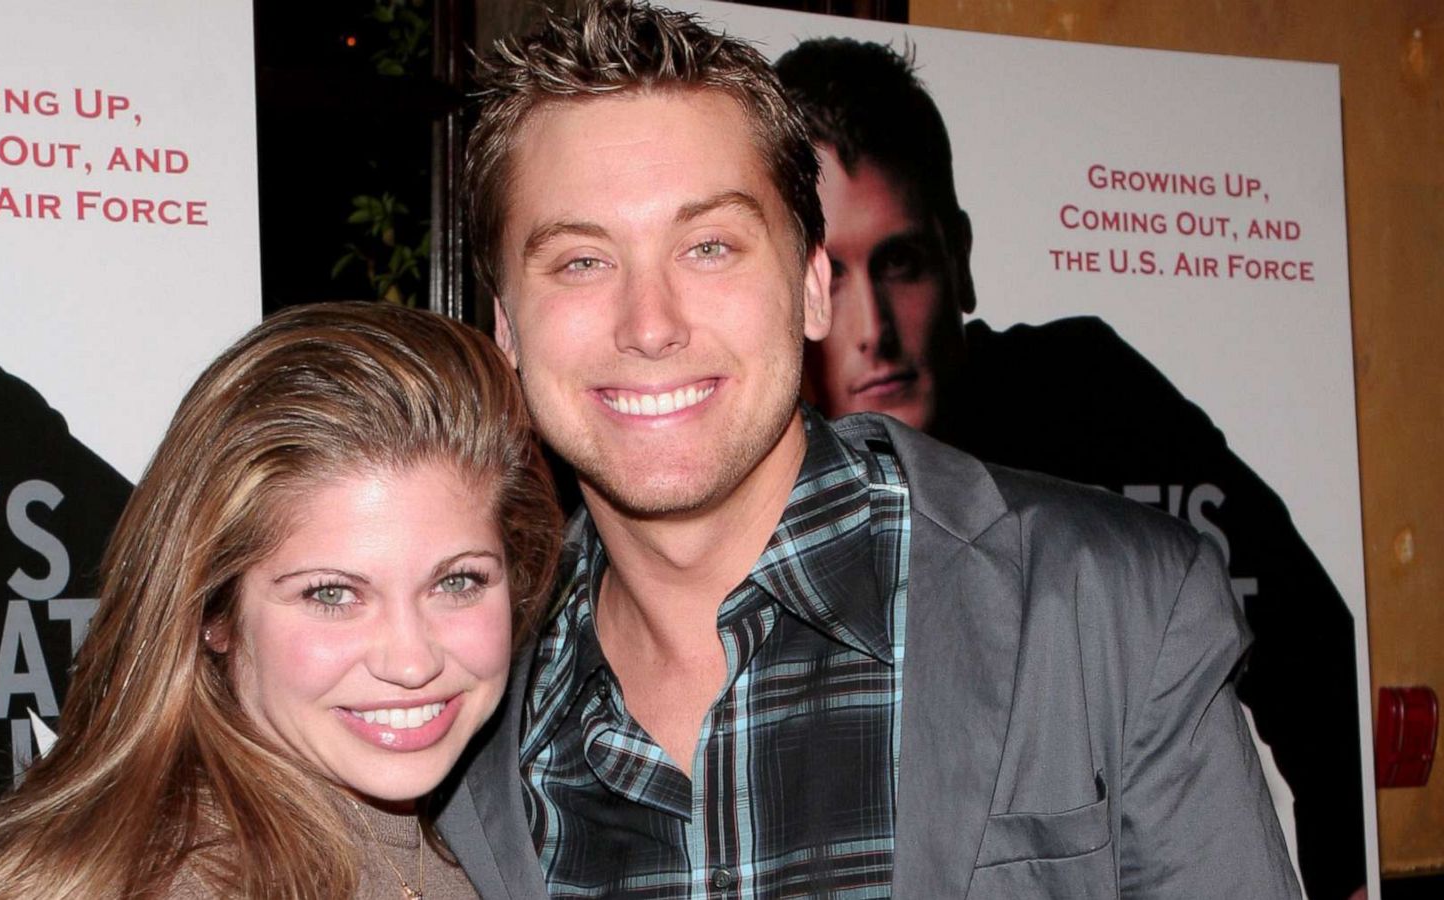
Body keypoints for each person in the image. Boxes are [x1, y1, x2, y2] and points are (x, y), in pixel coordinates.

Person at [436, 1, 1299, 897]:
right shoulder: (463, 720)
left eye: (709, 245)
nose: (649, 325)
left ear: (811, 288)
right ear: (506, 328)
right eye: (581, 261)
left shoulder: (1108, 614)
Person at [775, 37, 1366, 899]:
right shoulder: (741, 479)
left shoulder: (1090, 400)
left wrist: (1350, 873)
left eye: (901, 264)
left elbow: (1314, 649)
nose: (876, 330)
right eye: (830, 273)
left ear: (961, 259)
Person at [0, 302, 562, 899]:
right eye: (332, 594)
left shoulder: (472, 827)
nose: (411, 662)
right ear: (215, 613)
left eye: (457, 583)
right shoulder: (178, 879)